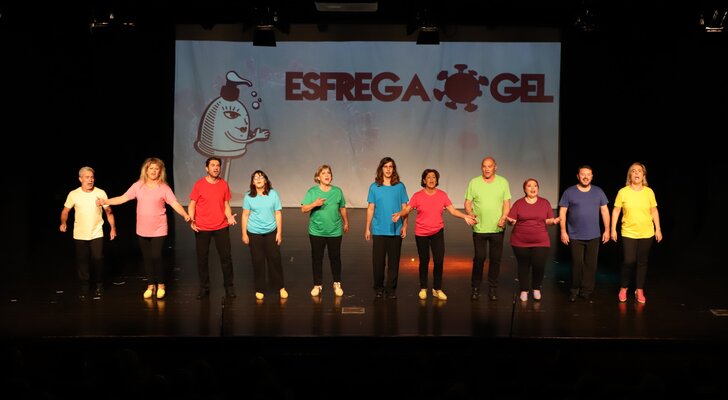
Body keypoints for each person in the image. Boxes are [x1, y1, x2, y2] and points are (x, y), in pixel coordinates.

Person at [98, 157, 191, 300]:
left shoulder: (164, 188)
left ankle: (161, 285)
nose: (154, 171)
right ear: (146, 170)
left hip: (159, 228)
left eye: (156, 169)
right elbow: (123, 198)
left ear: (160, 171)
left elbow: (174, 203)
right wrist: (105, 201)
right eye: (151, 168)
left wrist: (185, 214)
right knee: (147, 258)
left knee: (156, 256)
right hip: (142, 228)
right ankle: (150, 285)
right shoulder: (138, 186)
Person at [392, 168, 477, 301]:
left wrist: (465, 216)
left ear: (436, 180)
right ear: (424, 180)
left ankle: (437, 289)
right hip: (421, 233)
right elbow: (407, 209)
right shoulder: (417, 196)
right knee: (424, 260)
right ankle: (423, 288)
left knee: (439, 260)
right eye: (428, 177)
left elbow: (453, 210)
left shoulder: (442, 195)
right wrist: (399, 214)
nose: (431, 179)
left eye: (434, 177)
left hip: (437, 232)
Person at [60, 166, 117, 299]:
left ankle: (99, 284)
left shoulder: (100, 193)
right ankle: (85, 285)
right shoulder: (73, 194)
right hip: (80, 233)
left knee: (98, 258)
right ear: (80, 179)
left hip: (96, 232)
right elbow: (65, 211)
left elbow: (109, 212)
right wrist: (63, 222)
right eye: (87, 177)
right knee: (82, 260)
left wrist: (113, 228)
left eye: (92, 177)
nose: (90, 180)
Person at [610, 162, 662, 304]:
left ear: (643, 175)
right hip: (628, 232)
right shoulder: (623, 192)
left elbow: (654, 211)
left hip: (647, 232)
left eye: (639, 171)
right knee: (629, 260)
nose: (637, 173)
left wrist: (658, 229)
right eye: (633, 171)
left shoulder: (649, 192)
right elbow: (616, 211)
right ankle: (624, 287)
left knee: (642, 262)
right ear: (630, 175)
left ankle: (639, 289)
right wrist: (613, 229)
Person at [558, 165, 610, 302]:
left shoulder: (598, 191)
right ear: (578, 176)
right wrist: (563, 231)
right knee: (576, 264)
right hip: (575, 235)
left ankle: (586, 290)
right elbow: (562, 212)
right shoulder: (569, 192)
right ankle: (574, 290)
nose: (585, 177)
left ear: (592, 176)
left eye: (588, 174)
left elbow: (605, 211)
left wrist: (607, 230)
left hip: (594, 235)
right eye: (583, 174)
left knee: (590, 265)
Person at [188, 157, 238, 300]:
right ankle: (204, 287)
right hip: (202, 227)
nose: (216, 168)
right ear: (207, 168)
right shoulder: (199, 185)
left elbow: (226, 204)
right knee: (202, 258)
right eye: (213, 165)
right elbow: (192, 204)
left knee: (226, 258)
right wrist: (191, 219)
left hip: (221, 226)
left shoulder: (224, 184)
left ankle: (229, 286)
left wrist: (229, 216)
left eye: (218, 165)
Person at [464, 156, 511, 301]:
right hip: (479, 227)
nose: (487, 169)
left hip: (497, 228)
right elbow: (467, 202)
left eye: (490, 166)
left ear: (495, 167)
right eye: (484, 166)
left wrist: (504, 217)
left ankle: (493, 288)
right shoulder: (474, 182)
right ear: (481, 168)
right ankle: (475, 288)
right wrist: (470, 213)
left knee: (495, 260)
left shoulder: (503, 182)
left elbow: (506, 203)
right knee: (479, 258)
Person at [506, 178, 560, 302]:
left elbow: (548, 220)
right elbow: (511, 220)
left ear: (538, 188)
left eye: (535, 185)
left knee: (539, 265)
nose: (532, 188)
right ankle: (524, 290)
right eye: (529, 186)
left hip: (541, 241)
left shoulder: (544, 203)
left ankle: (536, 288)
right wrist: (511, 222)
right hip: (520, 241)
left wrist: (553, 221)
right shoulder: (519, 203)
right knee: (523, 265)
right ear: (524, 189)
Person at [301, 165, 349, 298]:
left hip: (335, 231)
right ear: (318, 177)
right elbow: (303, 209)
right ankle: (317, 285)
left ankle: (337, 283)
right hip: (316, 231)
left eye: (329, 173)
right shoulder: (312, 192)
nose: (327, 175)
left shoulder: (337, 191)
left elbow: (342, 208)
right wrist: (314, 204)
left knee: (335, 258)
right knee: (317, 258)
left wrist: (346, 222)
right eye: (323, 173)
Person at [365, 157, 409, 299]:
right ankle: (378, 288)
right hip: (379, 230)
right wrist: (367, 228)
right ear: (381, 169)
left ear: (394, 169)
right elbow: (371, 208)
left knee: (393, 263)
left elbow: (405, 208)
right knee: (378, 263)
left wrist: (405, 225)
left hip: (396, 230)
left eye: (391, 166)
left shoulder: (400, 186)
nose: (388, 169)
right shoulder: (374, 187)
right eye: (385, 166)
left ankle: (391, 289)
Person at [241, 170, 287, 301]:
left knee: (275, 259)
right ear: (252, 182)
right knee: (258, 261)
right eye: (255, 178)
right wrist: (244, 233)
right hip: (254, 233)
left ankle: (280, 287)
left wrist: (279, 232)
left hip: (271, 232)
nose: (258, 179)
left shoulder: (273, 194)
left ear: (265, 180)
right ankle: (260, 288)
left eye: (261, 177)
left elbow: (278, 213)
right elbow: (245, 215)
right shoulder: (248, 196)